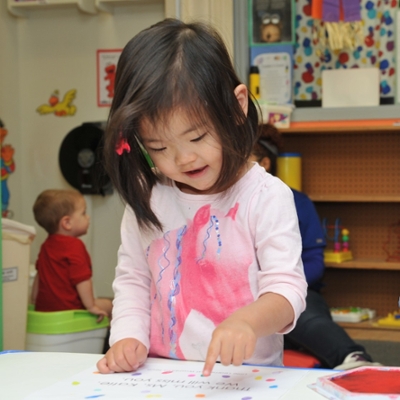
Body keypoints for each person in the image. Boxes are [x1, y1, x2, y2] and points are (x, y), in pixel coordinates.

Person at [96, 18, 307, 376]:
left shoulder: (266, 197)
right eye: (159, 147)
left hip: (247, 378)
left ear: (237, 106)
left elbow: (287, 290)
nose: (183, 159)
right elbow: (134, 279)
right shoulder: (149, 199)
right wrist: (127, 337)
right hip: (162, 376)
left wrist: (248, 322)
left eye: (196, 137)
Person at [250, 124, 381, 370]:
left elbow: (314, 264)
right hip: (244, 301)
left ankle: (355, 360)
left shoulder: (294, 201)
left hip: (296, 295)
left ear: (265, 163)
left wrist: (278, 289)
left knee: (301, 314)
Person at [32, 189, 112, 322]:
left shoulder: (46, 245)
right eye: (83, 213)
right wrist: (91, 306)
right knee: (111, 305)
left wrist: (35, 302)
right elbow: (82, 280)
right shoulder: (74, 246)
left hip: (45, 310)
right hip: (71, 310)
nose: (88, 217)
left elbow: (39, 276)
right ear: (67, 223)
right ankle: (110, 339)